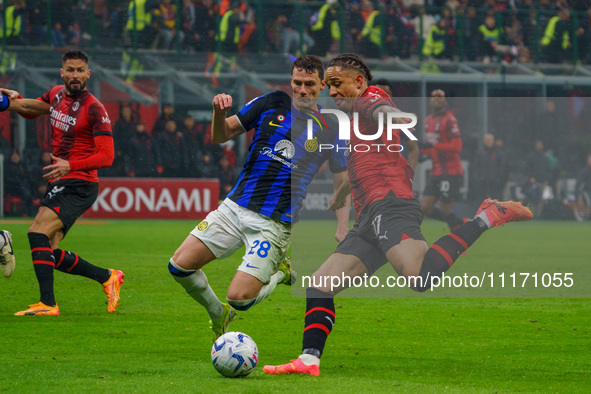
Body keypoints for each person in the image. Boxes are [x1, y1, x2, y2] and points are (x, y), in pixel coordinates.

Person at [263, 53, 533, 376]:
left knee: (420, 278)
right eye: (329, 86)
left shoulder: (369, 99)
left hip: (390, 204)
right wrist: (341, 194)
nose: (332, 92)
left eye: (337, 84)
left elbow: (385, 112)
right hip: (368, 217)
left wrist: (393, 116)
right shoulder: (352, 122)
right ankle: (309, 360)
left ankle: (486, 217)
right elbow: (362, 164)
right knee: (319, 286)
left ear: (358, 83)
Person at [167, 54, 350, 343]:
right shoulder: (272, 101)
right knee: (179, 266)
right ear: (290, 82)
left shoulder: (331, 126)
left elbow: (343, 181)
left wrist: (342, 225)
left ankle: (280, 272)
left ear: (323, 85)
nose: (302, 90)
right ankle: (218, 314)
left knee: (240, 298)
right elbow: (221, 134)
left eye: (309, 85)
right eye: (297, 83)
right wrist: (217, 112)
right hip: (234, 206)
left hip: (274, 223)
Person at [0, 50, 125, 316]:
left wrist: (71, 164)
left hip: (79, 182)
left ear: (88, 74)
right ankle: (107, 277)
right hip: (62, 179)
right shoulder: (57, 94)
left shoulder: (95, 108)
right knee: (49, 251)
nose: (75, 75)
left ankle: (48, 304)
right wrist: (12, 102)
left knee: (36, 232)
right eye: (70, 70)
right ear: (62, 73)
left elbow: (107, 156)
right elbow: (32, 109)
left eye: (80, 70)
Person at [420, 89, 466, 232]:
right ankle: (461, 224)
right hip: (436, 172)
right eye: (433, 97)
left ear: (445, 102)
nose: (436, 100)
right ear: (429, 101)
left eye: (440, 98)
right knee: (425, 207)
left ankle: (460, 236)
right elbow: (430, 145)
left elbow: (457, 146)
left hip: (451, 171)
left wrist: (433, 145)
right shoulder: (427, 120)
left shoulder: (450, 119)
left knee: (445, 209)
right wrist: (423, 153)